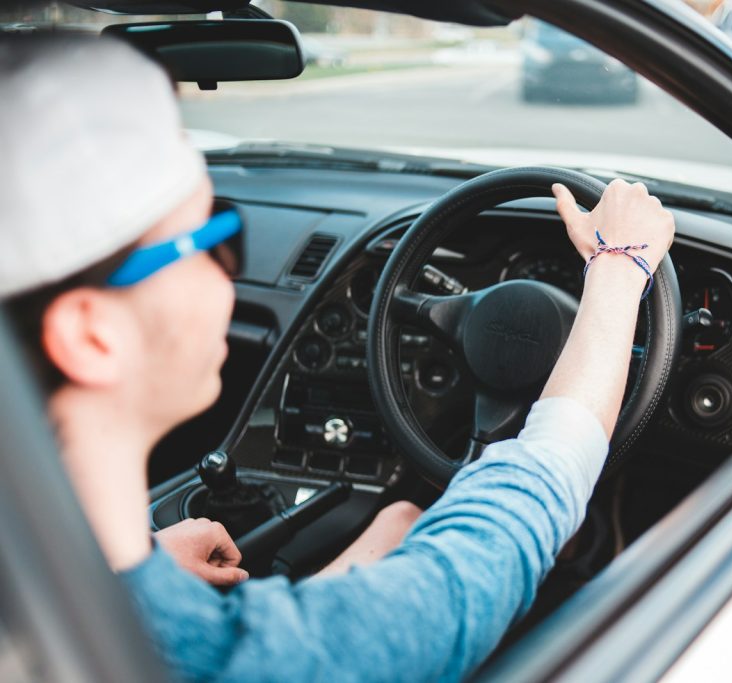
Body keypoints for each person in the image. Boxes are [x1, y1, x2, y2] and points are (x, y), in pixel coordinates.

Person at [1, 36, 675, 683]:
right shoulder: (232, 656)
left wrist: (135, 582)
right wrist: (621, 268)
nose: (227, 275)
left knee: (399, 518)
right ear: (91, 335)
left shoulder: (60, 605)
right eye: (212, 239)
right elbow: (539, 491)